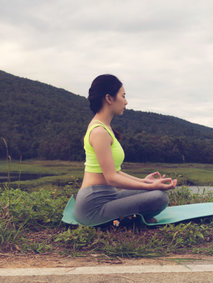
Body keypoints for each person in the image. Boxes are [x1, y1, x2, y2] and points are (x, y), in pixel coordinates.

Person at [74, 74, 177, 225]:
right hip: (93, 206)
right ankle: (129, 221)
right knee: (159, 198)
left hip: (109, 197)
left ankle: (130, 218)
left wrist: (145, 182)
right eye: (123, 96)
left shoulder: (105, 128)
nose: (126, 102)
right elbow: (111, 178)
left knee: (155, 192)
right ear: (109, 98)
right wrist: (148, 185)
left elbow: (115, 171)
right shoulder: (99, 132)